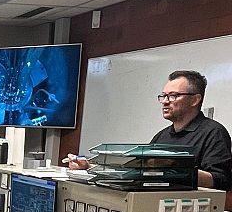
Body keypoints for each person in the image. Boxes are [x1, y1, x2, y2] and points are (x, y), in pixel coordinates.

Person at [67, 70, 232, 190]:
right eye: (163, 96)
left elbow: (221, 180)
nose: (165, 101)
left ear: (195, 99)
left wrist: (173, 168)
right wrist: (89, 166)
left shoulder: (213, 132)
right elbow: (139, 170)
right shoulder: (162, 136)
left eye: (173, 96)